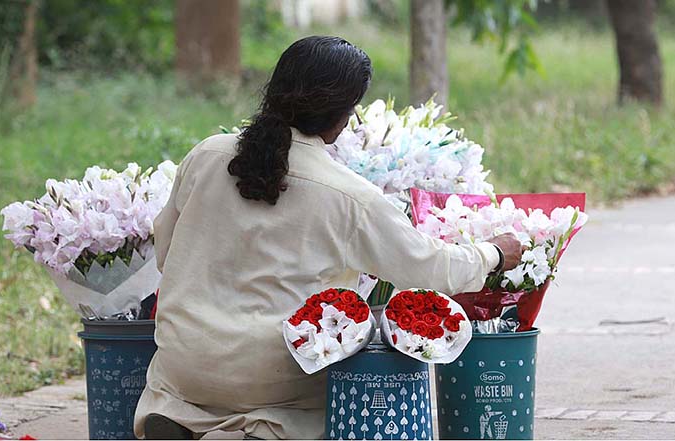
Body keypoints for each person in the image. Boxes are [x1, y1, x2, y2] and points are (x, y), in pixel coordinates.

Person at [133, 35, 522, 440]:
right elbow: (429, 269)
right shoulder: (349, 196)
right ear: (342, 116)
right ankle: (262, 432)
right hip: (278, 373)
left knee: (177, 387)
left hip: (185, 363)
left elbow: (166, 252)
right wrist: (493, 253)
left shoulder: (207, 155)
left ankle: (180, 418)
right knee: (335, 386)